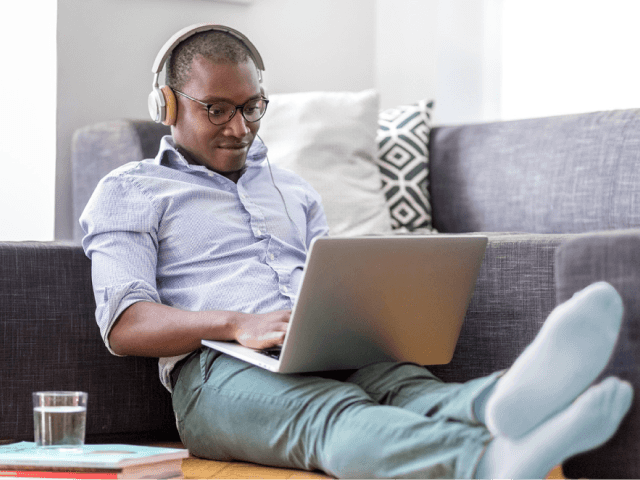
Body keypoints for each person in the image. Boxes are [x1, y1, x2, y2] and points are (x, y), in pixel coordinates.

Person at [80, 24, 633, 479]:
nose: (240, 127)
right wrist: (237, 323)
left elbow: (331, 279)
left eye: (252, 108)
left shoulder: (293, 189)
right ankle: (483, 462)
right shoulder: (130, 190)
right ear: (168, 104)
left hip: (327, 349)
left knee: (409, 386)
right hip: (218, 373)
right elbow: (125, 325)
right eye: (217, 110)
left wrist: (366, 318)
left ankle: (500, 404)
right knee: (331, 415)